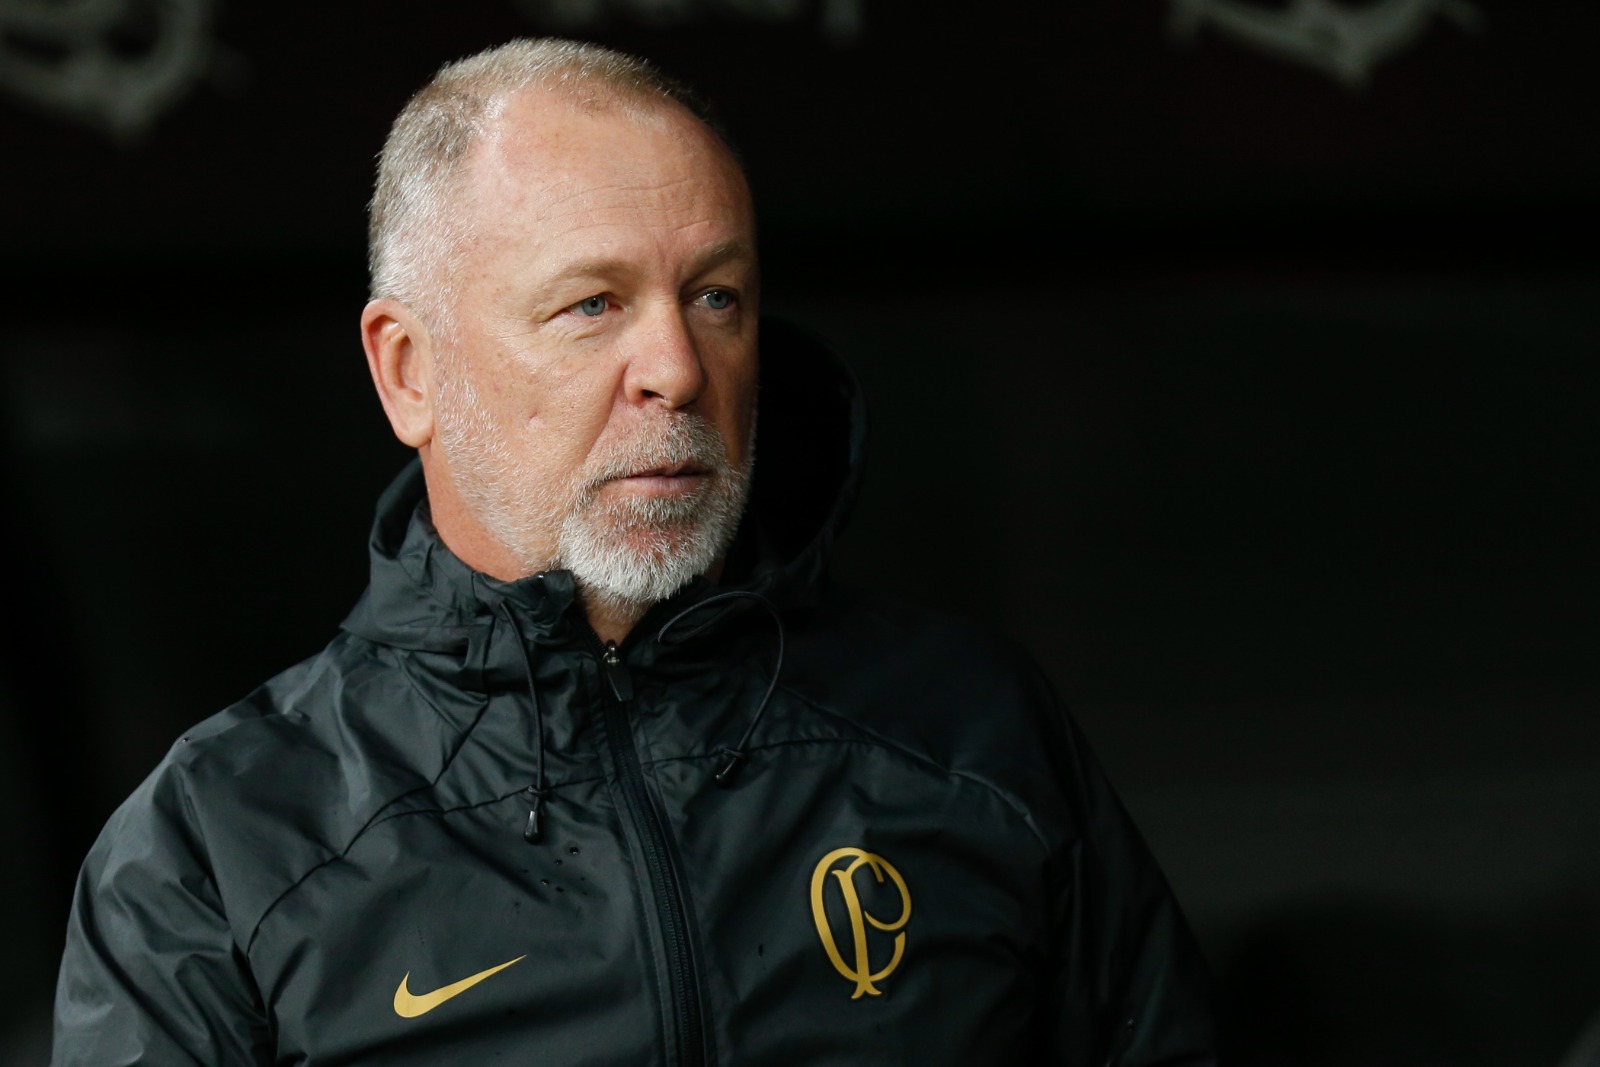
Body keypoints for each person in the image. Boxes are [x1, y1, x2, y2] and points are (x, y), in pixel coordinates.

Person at [51, 38, 1217, 1065]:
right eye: (592, 305)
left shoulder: (968, 729)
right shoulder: (222, 844)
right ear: (410, 369)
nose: (676, 364)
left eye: (716, 295)